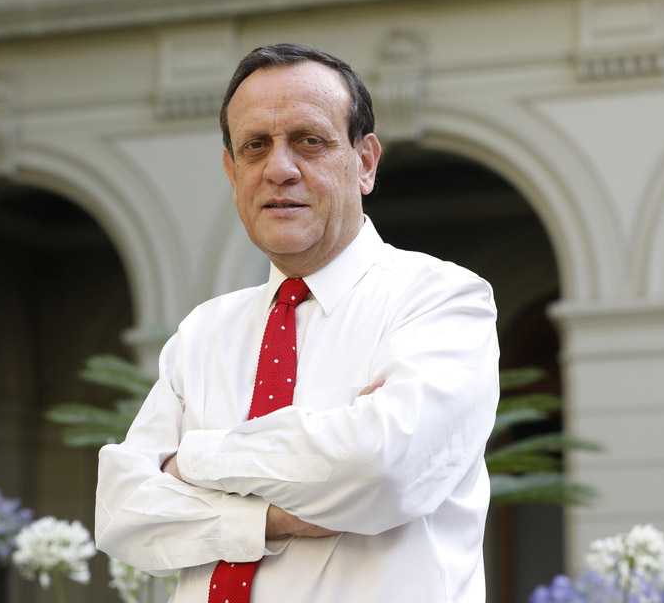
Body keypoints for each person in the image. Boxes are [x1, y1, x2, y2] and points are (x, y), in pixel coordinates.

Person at [95, 43, 499, 602]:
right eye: (255, 146)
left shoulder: (440, 300)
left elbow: (383, 468)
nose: (279, 170)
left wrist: (191, 460)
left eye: (310, 141)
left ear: (365, 162)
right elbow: (121, 512)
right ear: (232, 172)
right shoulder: (204, 332)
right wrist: (266, 520)